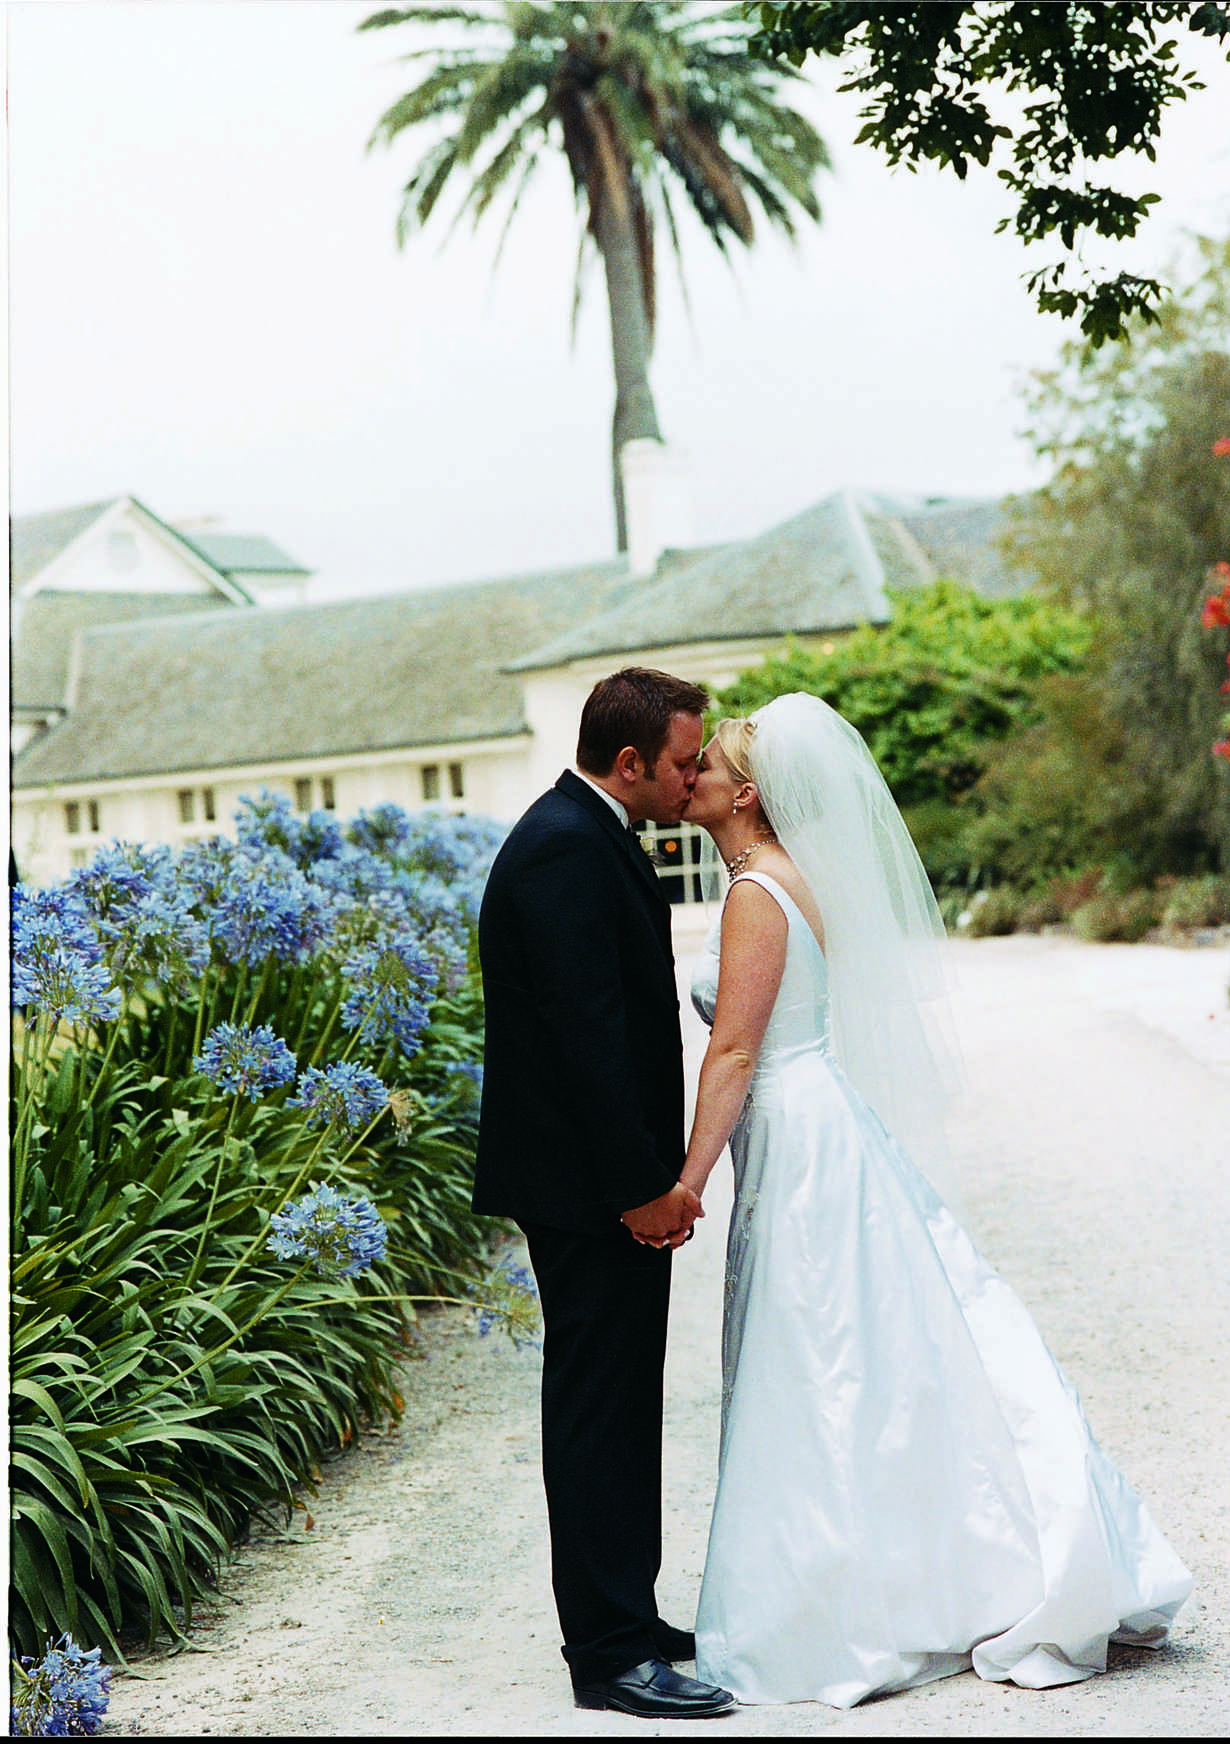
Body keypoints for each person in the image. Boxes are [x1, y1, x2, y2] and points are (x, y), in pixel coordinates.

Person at [672, 692, 1192, 1709]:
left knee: (818, 1354)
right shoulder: (783, 879)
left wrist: (688, 1179)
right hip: (821, 1117)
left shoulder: (751, 895)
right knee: (860, 1352)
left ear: (748, 793)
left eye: (708, 767)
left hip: (799, 1128)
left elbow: (734, 1050)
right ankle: (906, 1568)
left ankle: (845, 1602)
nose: (689, 775)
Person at [472, 667, 736, 1720]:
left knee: (623, 1404)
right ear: (629, 761)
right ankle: (606, 1650)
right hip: (589, 1190)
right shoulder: (563, 850)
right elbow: (586, 1043)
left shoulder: (588, 833)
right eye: (683, 760)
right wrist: (644, 1187)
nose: (694, 775)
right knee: (595, 1409)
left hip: (600, 1183)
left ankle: (629, 1612)